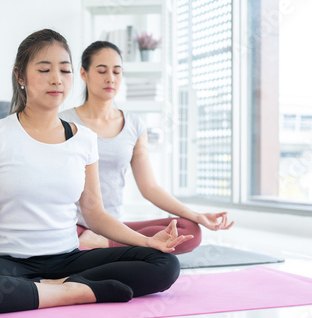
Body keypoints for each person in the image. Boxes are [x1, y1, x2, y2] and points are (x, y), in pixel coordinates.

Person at [0, 29, 193, 316]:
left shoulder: (85, 139)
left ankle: (55, 287)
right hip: (9, 263)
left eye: (65, 70)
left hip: (69, 259)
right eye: (44, 69)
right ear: (21, 77)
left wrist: (148, 241)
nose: (57, 79)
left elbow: (95, 214)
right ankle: (73, 291)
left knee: (165, 264)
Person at [59, 41, 234, 255]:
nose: (110, 78)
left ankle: (104, 245)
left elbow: (149, 187)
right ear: (84, 74)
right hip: (74, 225)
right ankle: (115, 247)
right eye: (102, 70)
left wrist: (196, 215)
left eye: (117, 71)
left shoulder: (134, 125)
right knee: (61, 235)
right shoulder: (63, 121)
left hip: (114, 227)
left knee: (190, 230)